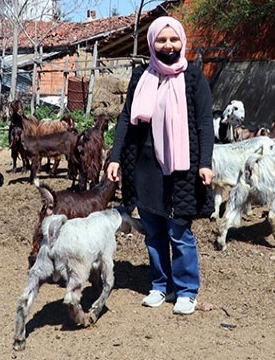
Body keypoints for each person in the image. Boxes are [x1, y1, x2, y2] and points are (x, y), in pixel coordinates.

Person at [106, 16, 214, 315]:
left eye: (173, 39)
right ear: (152, 43)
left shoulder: (193, 77)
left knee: (179, 231)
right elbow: (126, 117)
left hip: (182, 167)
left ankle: (186, 290)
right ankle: (160, 285)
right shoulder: (142, 75)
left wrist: (205, 163)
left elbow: (205, 123)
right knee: (153, 229)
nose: (168, 45)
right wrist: (115, 157)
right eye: (161, 40)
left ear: (182, 41)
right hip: (144, 165)